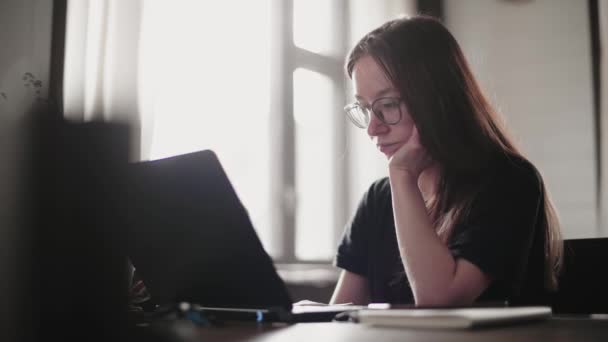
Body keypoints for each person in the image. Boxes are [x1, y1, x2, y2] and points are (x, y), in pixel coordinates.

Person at [330, 15, 563, 307]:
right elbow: (337, 317)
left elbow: (439, 301)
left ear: (436, 101)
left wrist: (402, 175)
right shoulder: (379, 199)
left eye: (388, 105)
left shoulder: (511, 181)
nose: (372, 128)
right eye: (364, 109)